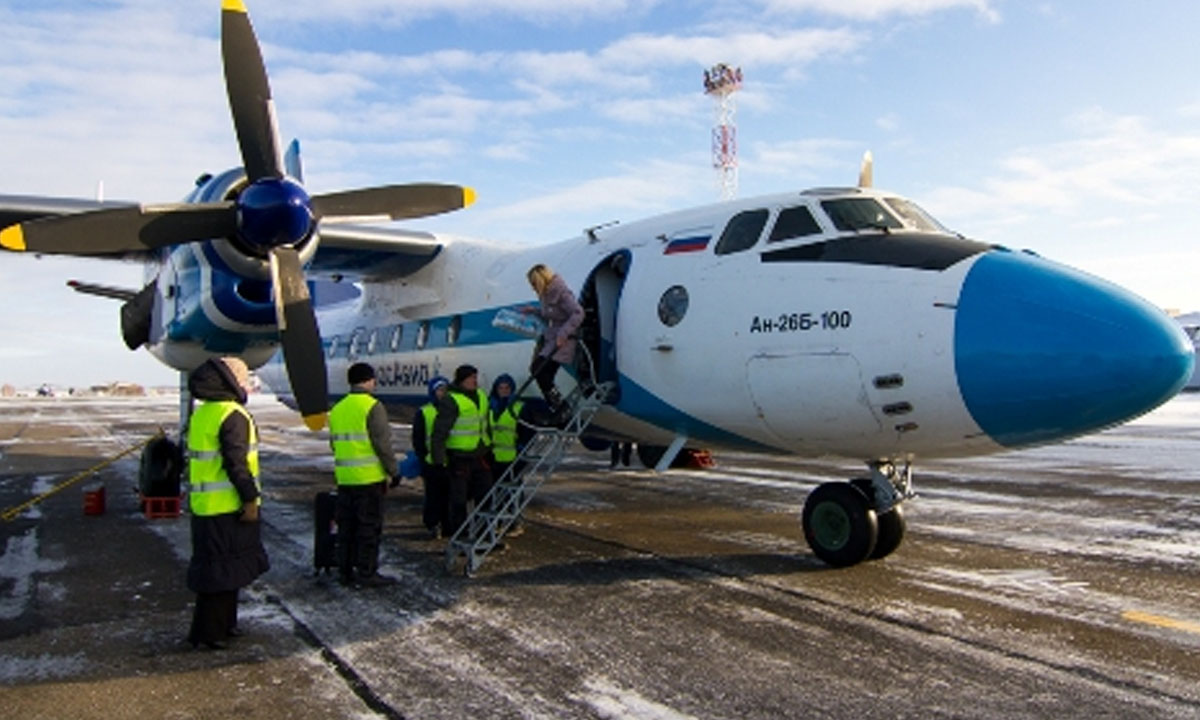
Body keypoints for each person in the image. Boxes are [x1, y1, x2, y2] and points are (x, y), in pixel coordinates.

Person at [185, 356, 268, 650]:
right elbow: (237, 463)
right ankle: (209, 633)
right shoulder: (232, 414)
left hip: (205, 505)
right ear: (230, 380)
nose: (247, 383)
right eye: (243, 377)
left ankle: (225, 625)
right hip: (226, 506)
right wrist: (250, 499)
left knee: (223, 571)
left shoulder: (203, 413)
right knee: (220, 574)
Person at [328, 362, 398, 588]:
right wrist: (393, 471)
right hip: (368, 480)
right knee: (368, 529)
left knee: (346, 528)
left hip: (345, 479)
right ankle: (367, 572)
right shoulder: (372, 406)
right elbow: (382, 444)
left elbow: (333, 444)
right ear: (369, 380)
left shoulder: (338, 408)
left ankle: (345, 572)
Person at [431, 364, 492, 538]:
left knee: (486, 496)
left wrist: (490, 446)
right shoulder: (451, 400)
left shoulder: (481, 395)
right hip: (460, 457)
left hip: (480, 454)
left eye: (475, 377)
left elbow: (485, 423)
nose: (474, 381)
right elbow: (439, 432)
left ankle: (484, 535)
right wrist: (439, 461)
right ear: (461, 381)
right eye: (470, 378)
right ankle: (460, 535)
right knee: (459, 500)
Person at [525, 263, 584, 421]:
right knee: (540, 371)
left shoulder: (560, 292)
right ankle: (558, 408)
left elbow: (578, 313)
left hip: (563, 340)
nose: (533, 287)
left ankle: (561, 408)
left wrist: (564, 334)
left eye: (533, 283)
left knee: (539, 369)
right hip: (552, 338)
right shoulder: (546, 295)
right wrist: (534, 311)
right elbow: (552, 315)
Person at [488, 373, 534, 537]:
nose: (504, 391)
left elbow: (528, 431)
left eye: (507, 388)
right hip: (493, 457)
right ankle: (498, 523)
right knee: (494, 493)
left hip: (513, 457)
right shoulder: (490, 407)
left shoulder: (519, 407)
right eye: (501, 388)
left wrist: (522, 447)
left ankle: (515, 523)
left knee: (513, 493)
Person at [413, 375, 450, 539]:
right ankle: (433, 524)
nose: (443, 393)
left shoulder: (452, 410)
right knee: (433, 496)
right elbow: (418, 439)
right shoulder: (424, 412)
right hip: (432, 462)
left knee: (450, 496)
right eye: (439, 390)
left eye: (445, 390)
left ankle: (448, 525)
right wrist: (423, 458)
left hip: (449, 461)